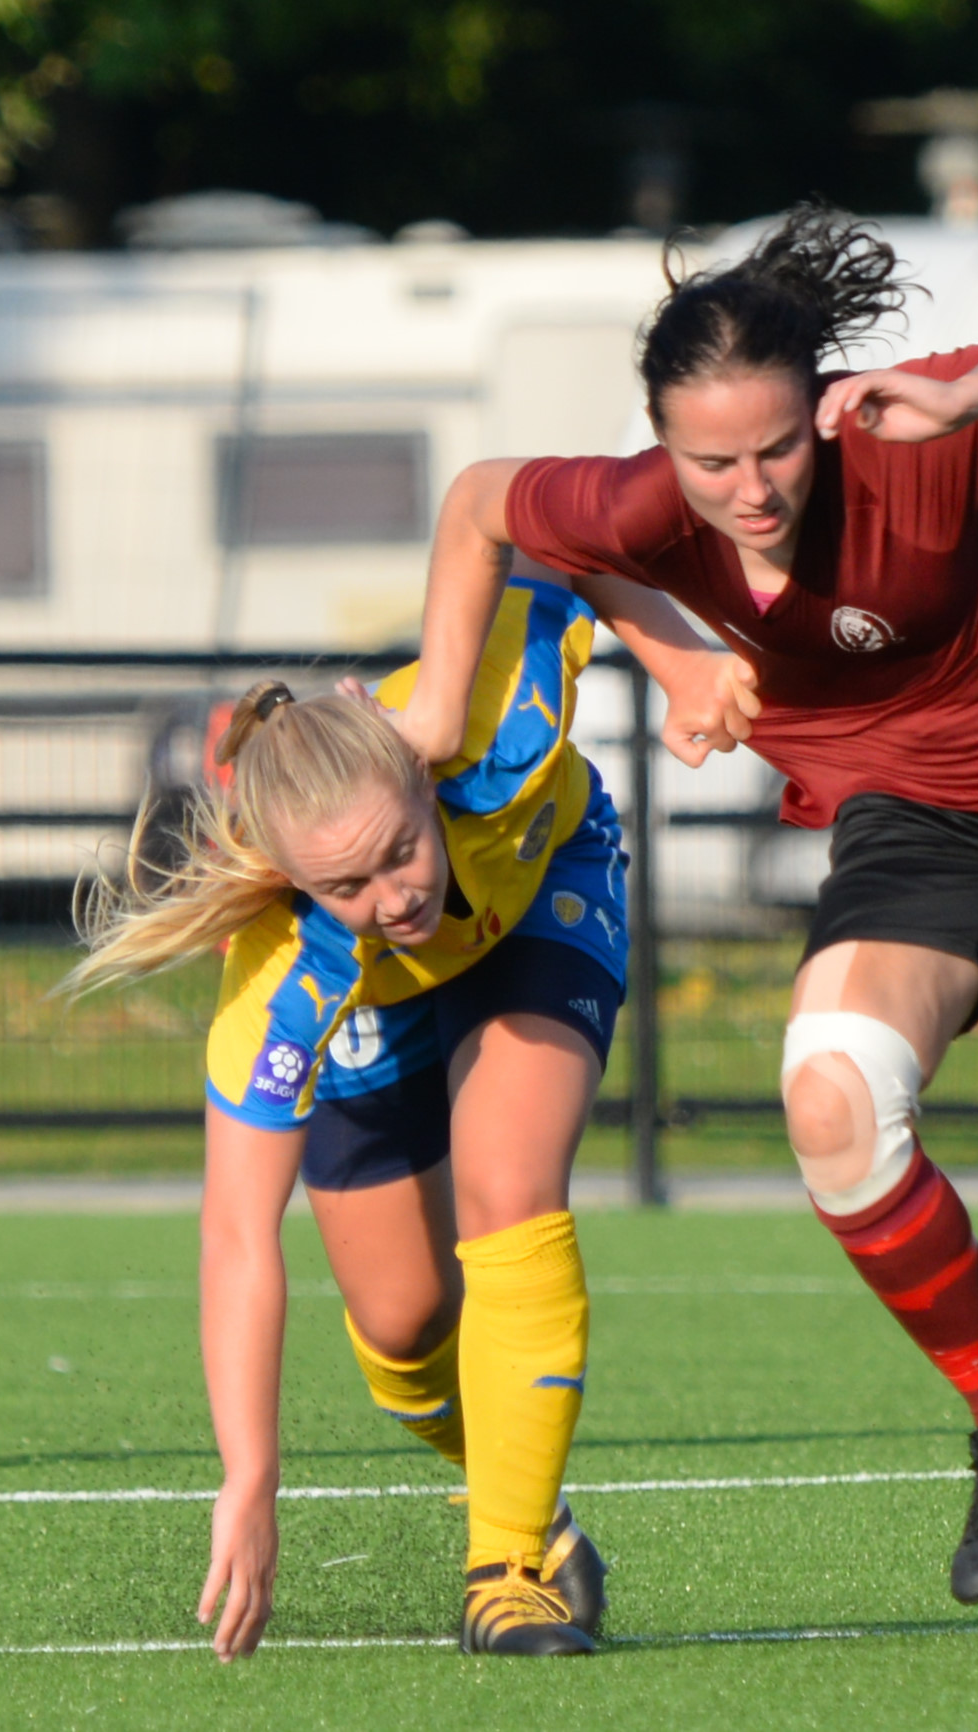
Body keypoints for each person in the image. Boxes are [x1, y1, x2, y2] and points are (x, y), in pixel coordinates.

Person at [398, 205, 978, 1646]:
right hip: (917, 811)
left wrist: (969, 392)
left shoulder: (901, 436)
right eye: (710, 463)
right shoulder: (648, 504)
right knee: (831, 1104)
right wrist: (477, 703)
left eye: (776, 450)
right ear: (662, 443)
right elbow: (479, 507)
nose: (749, 488)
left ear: (816, 415)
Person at [71, 571, 630, 1660]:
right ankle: (537, 1511)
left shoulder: (499, 715)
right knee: (404, 1331)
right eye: (347, 884)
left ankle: (505, 1569)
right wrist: (250, 1477)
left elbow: (570, 531)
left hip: (535, 899)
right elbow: (239, 1234)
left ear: (420, 772)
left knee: (508, 1181)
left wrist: (689, 663)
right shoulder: (288, 974)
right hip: (379, 998)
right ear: (293, 880)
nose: (394, 895)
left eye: (400, 850)